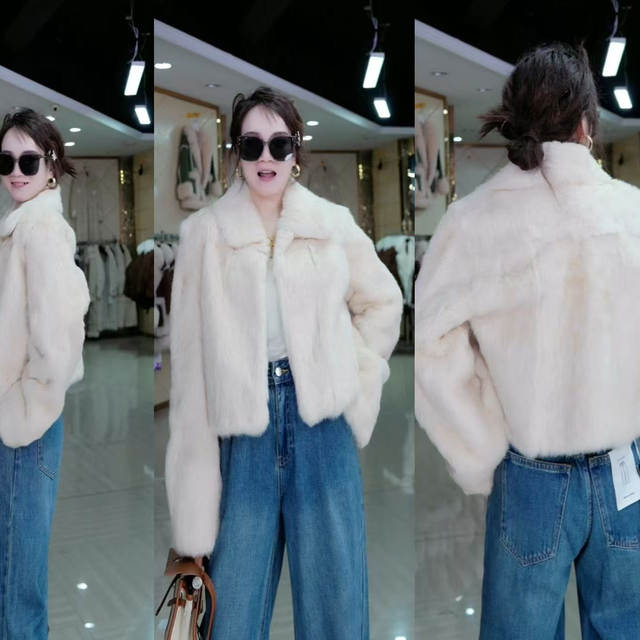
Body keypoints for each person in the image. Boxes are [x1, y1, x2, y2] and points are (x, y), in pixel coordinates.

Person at [415, 43, 640, 639]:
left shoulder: (473, 222)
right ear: (586, 123)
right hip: (626, 471)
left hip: (532, 474)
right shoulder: (632, 214)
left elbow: (431, 351)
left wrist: (481, 450)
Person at [166, 86, 403, 638]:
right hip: (242, 437)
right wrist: (191, 511)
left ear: (297, 149)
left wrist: (349, 384)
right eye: (252, 145)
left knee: (336, 609)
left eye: (279, 143)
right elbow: (191, 374)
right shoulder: (203, 236)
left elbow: (383, 302)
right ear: (236, 152)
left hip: (322, 429)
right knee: (232, 613)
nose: (266, 157)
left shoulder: (330, 223)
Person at [0, 108, 90, 638]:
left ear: (51, 165)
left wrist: (23, 412)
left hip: (25, 429)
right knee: (12, 574)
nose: (16, 171)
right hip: (18, 423)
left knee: (19, 587)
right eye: (6, 160)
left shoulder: (42, 231)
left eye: (28, 160)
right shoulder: (20, 228)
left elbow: (58, 341)